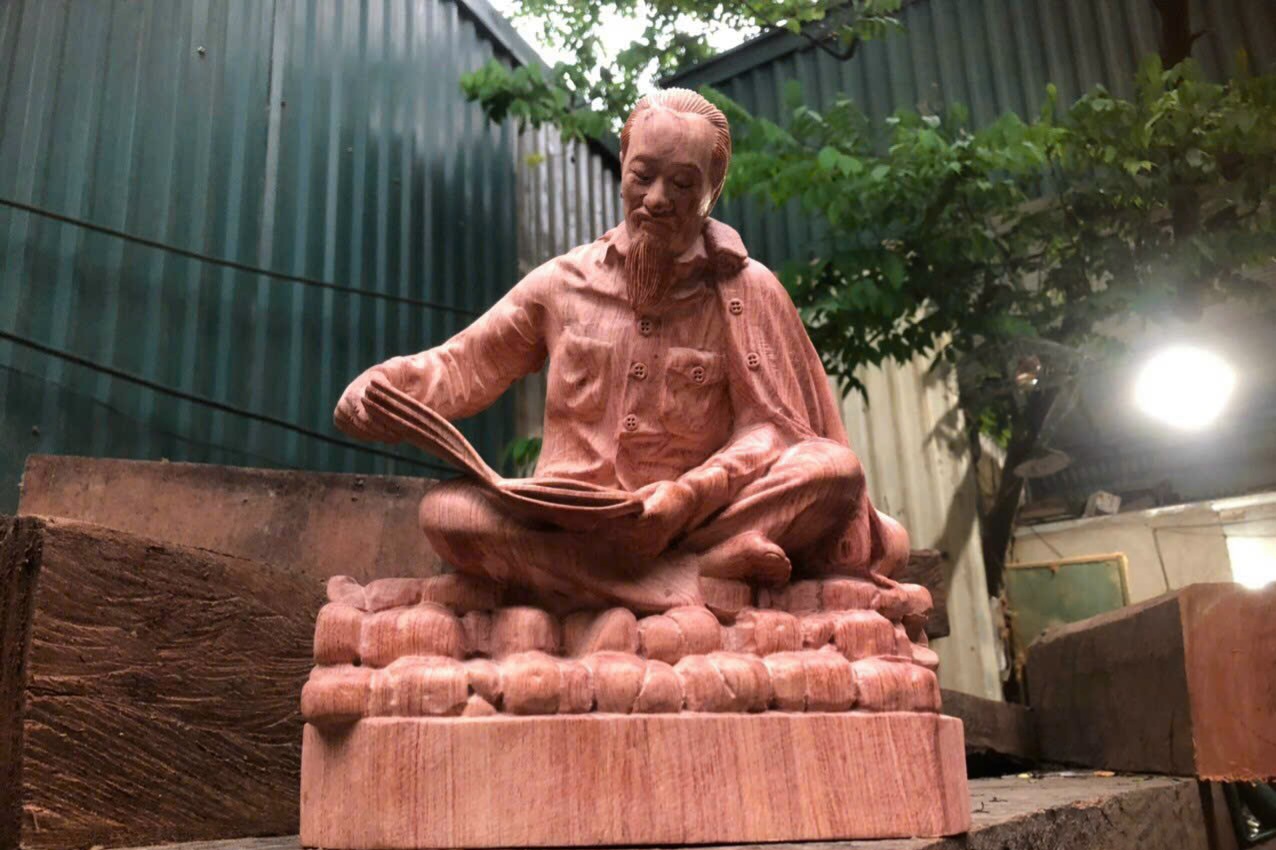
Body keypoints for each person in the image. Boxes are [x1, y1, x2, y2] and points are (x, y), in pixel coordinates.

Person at [335, 88, 908, 613]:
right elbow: (465, 364)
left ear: (712, 190)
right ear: (622, 168)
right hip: (567, 519)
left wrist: (688, 495)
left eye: (681, 184)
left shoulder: (745, 291)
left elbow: (772, 429)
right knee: (447, 514)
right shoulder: (562, 282)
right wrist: (384, 385)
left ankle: (595, 578)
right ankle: (691, 579)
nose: (657, 200)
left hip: (692, 521)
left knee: (832, 469)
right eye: (643, 176)